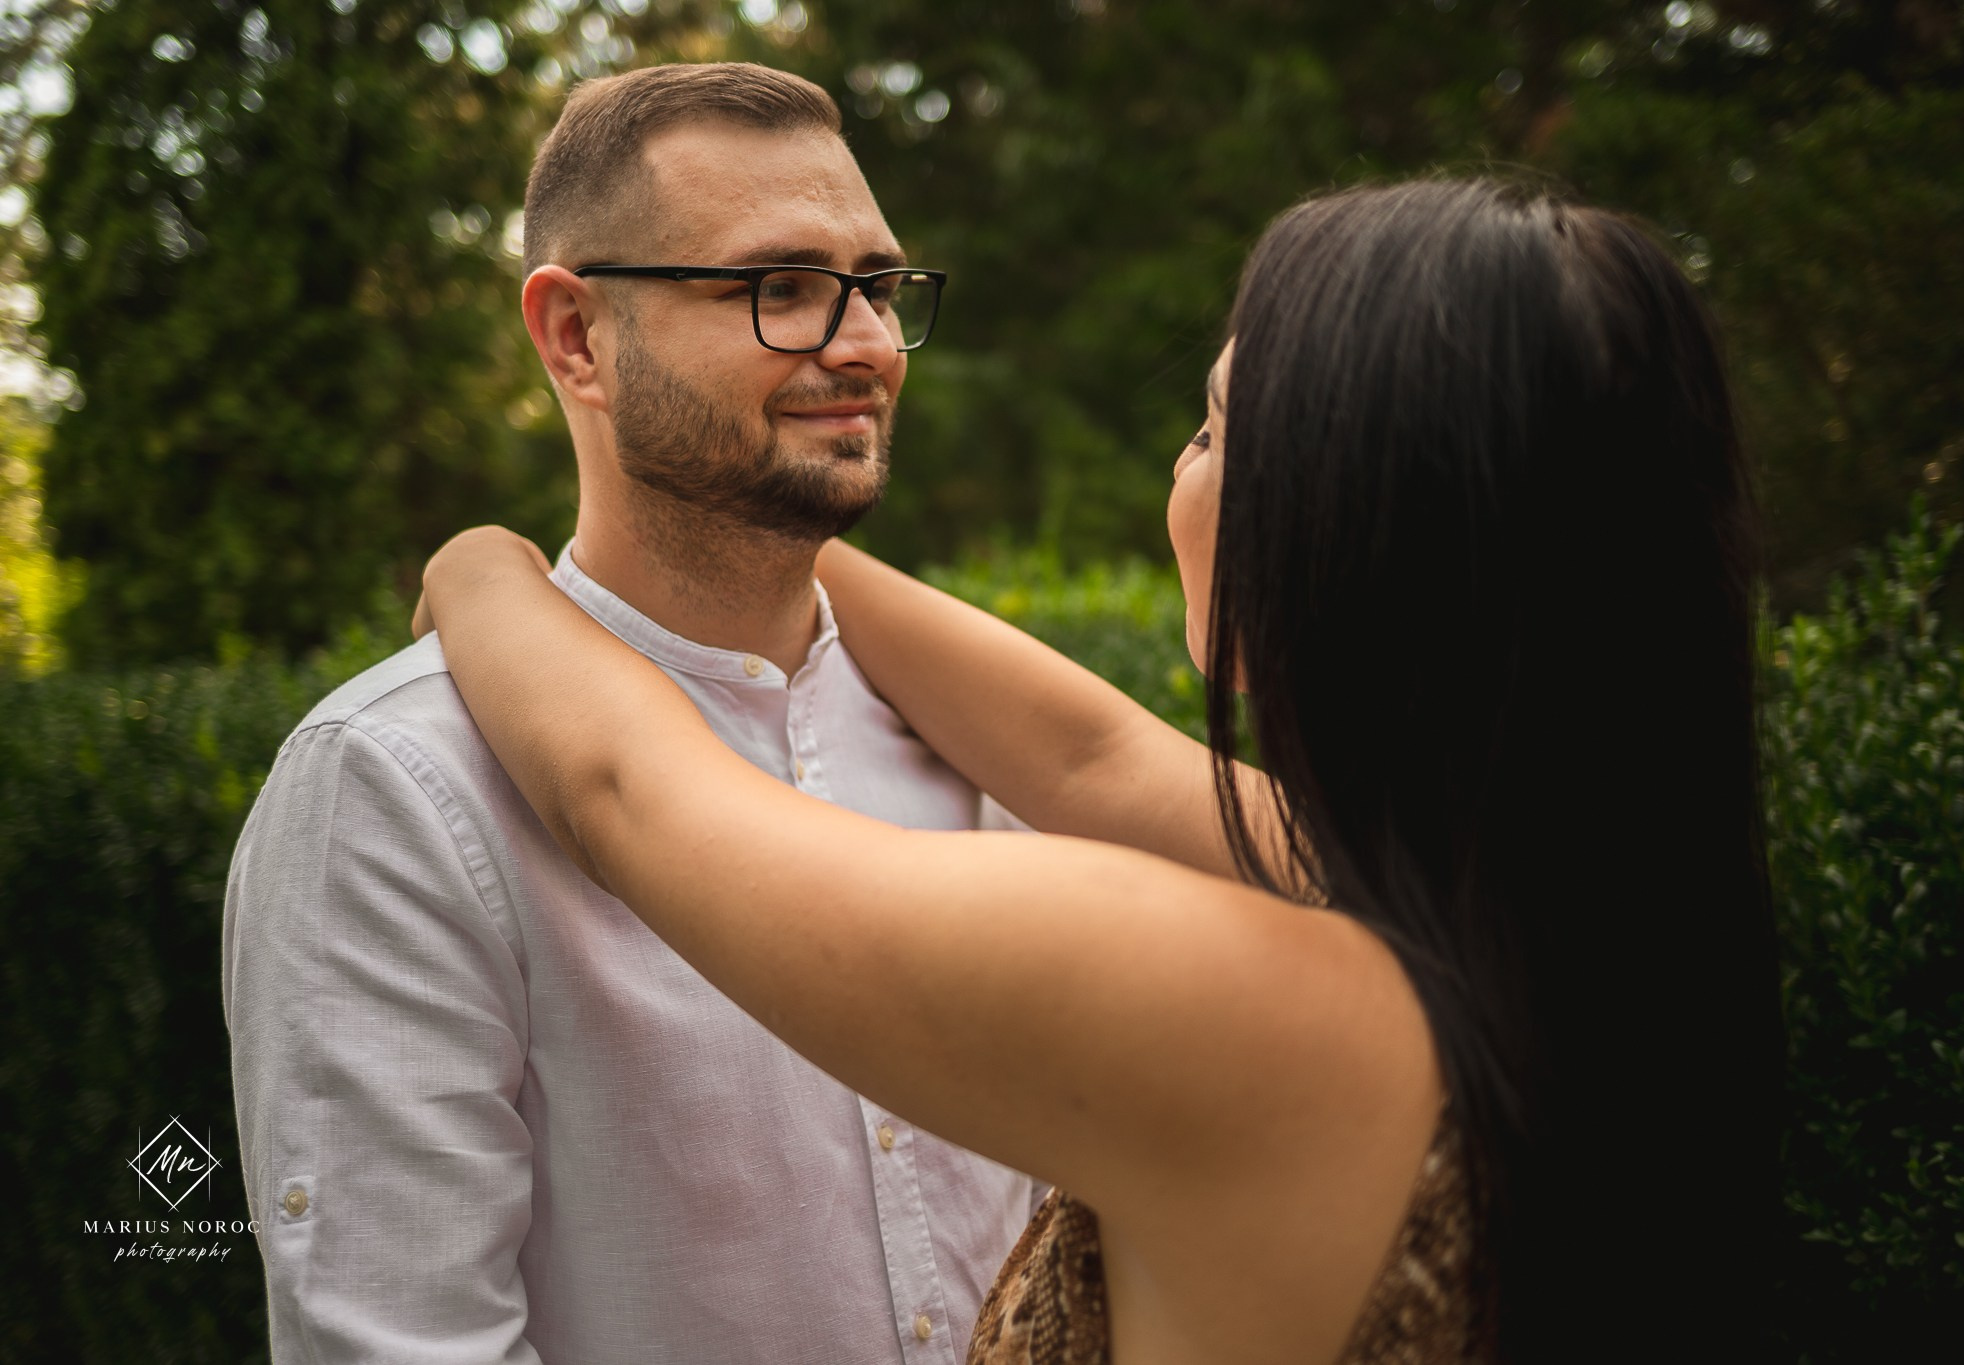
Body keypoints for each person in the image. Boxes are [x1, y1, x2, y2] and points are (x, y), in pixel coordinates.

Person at [412, 177, 1789, 1363]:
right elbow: (1093, 755)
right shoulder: (1569, 907)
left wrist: (482, 568)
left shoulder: (1236, 1003)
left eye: (1213, 431)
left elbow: (634, 795)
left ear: (1338, 533)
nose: (1182, 473)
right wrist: (731, 507)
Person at [222, 63, 1040, 1364]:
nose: (869, 344)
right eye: (781, 286)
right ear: (575, 337)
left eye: (880, 286)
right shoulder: (398, 788)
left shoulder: (988, 746)